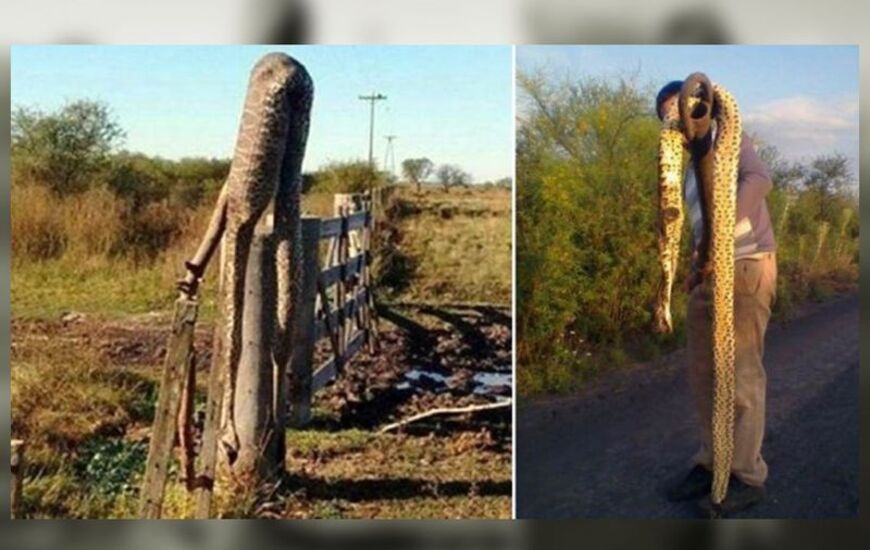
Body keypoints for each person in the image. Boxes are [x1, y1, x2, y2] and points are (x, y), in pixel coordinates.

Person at [656, 80, 778, 515]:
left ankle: (746, 475)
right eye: (666, 114)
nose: (675, 117)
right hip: (708, 274)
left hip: (745, 264)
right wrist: (695, 268)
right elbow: (695, 230)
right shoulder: (686, 168)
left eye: (679, 107)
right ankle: (712, 463)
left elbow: (760, 180)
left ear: (700, 107)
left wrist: (718, 232)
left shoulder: (729, 141)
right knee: (704, 375)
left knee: (740, 375)